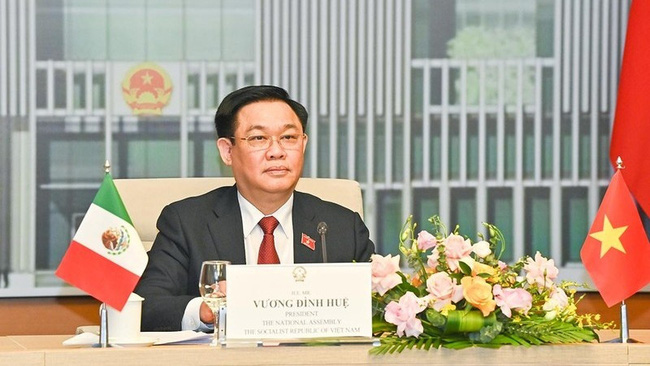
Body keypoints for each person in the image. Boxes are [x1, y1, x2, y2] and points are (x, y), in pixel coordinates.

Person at [134, 85, 375, 331]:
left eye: (288, 137)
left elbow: (380, 308)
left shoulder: (342, 226)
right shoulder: (187, 222)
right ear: (227, 151)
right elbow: (146, 307)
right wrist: (205, 309)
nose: (277, 152)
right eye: (259, 138)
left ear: (303, 144)